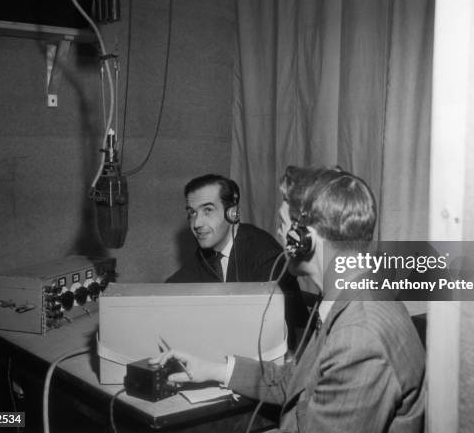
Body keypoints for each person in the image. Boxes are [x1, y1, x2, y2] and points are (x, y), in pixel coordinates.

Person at [154, 166, 426, 432]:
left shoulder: (359, 335)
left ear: (306, 238)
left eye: (284, 226)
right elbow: (295, 382)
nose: (281, 236)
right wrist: (213, 370)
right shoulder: (356, 298)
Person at [167, 174, 284, 283]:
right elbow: (170, 289)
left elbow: (273, 303)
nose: (197, 223)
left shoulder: (265, 254)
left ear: (232, 213)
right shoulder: (205, 255)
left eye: (208, 210)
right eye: (192, 213)